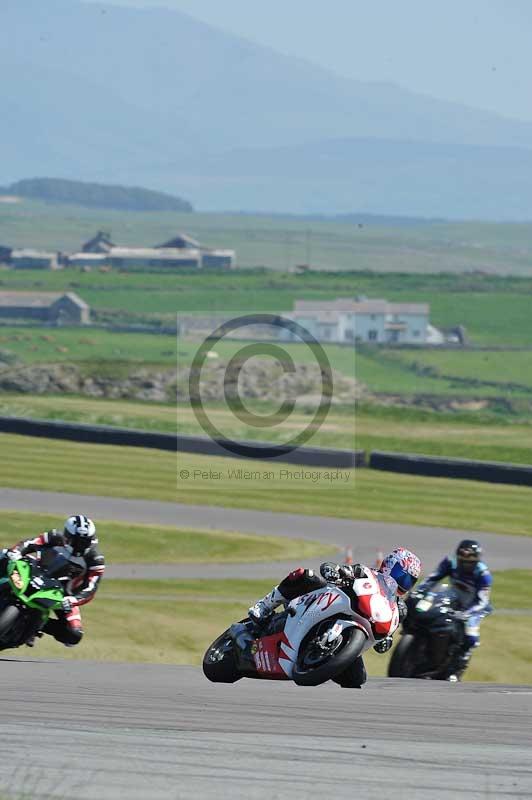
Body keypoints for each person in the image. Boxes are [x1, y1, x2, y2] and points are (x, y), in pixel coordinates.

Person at [245, 546, 421, 687]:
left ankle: (321, 659)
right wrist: (335, 571)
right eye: (401, 575)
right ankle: (265, 605)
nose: (403, 582)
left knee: (357, 680)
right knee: (306, 576)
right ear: (390, 566)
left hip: (357, 629)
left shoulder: (399, 608)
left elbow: (385, 638)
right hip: (330, 604)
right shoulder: (367, 573)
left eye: (409, 580)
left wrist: (386, 639)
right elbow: (342, 570)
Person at [4, 514, 105, 647]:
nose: (80, 545)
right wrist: (16, 552)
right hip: (35, 573)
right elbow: (30, 543)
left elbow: (90, 589)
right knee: (5, 555)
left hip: (63, 595)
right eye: (77, 541)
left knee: (73, 635)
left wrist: (73, 600)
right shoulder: (54, 537)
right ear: (67, 536)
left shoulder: (95, 560)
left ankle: (37, 625)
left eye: (85, 541)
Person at [417, 539, 492, 681]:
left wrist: (466, 614)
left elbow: (483, 601)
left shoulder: (483, 575)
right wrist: (420, 591)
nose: (465, 565)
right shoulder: (450, 563)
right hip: (453, 596)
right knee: (428, 610)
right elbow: (433, 578)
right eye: (462, 560)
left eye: (469, 562)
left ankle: (456, 670)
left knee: (471, 636)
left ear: (476, 561)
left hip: (473, 606)